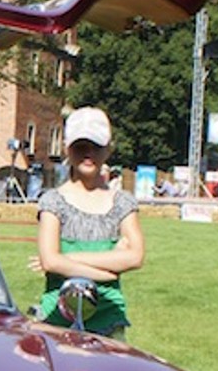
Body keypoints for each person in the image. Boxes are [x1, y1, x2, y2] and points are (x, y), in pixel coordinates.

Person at [27, 106, 141, 339]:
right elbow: (50, 261)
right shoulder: (52, 201)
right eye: (80, 147)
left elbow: (135, 257)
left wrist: (68, 258)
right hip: (57, 319)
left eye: (96, 147)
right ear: (67, 148)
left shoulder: (123, 203)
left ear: (108, 149)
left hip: (109, 319)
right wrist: (108, 271)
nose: (88, 154)